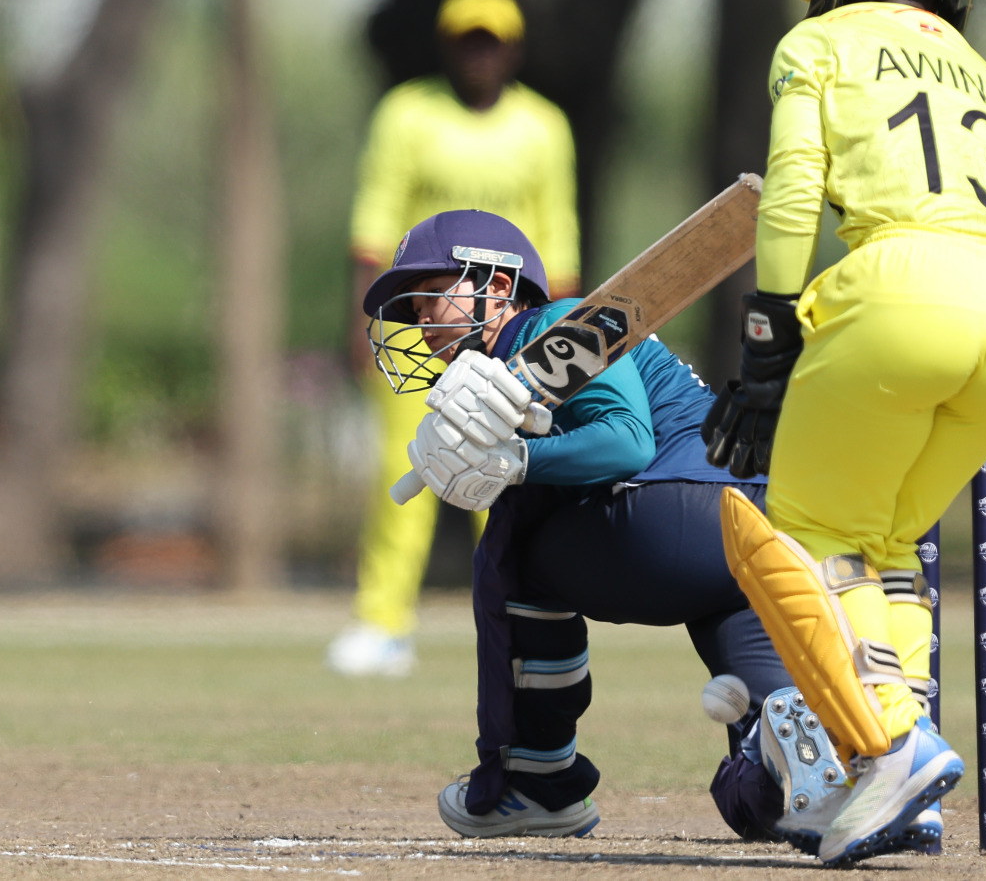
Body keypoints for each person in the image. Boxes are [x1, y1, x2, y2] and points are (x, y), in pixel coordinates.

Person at [362, 209, 942, 851]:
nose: (418, 320)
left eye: (428, 295)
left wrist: (517, 463)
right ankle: (871, 782)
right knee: (761, 801)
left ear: (496, 287)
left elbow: (626, 443)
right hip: (757, 545)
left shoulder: (555, 323)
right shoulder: (529, 357)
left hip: (681, 514)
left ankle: (538, 780)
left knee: (514, 546)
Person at [702, 0, 986, 865]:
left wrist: (769, 323)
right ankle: (900, 785)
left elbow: (796, 187)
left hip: (898, 290)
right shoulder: (984, 73)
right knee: (886, 544)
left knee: (806, 536)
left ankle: (892, 742)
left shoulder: (817, 43)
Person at [329, 0, 580, 678]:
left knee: (503, 473)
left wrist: (557, 337)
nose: (479, 55)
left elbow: (558, 241)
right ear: (448, 45)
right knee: (402, 468)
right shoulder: (408, 114)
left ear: (512, 50)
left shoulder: (543, 127)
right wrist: (362, 318)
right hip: (422, 326)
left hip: (507, 328)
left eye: (491, 42)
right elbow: (373, 226)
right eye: (468, 40)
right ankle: (383, 623)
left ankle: (521, 613)